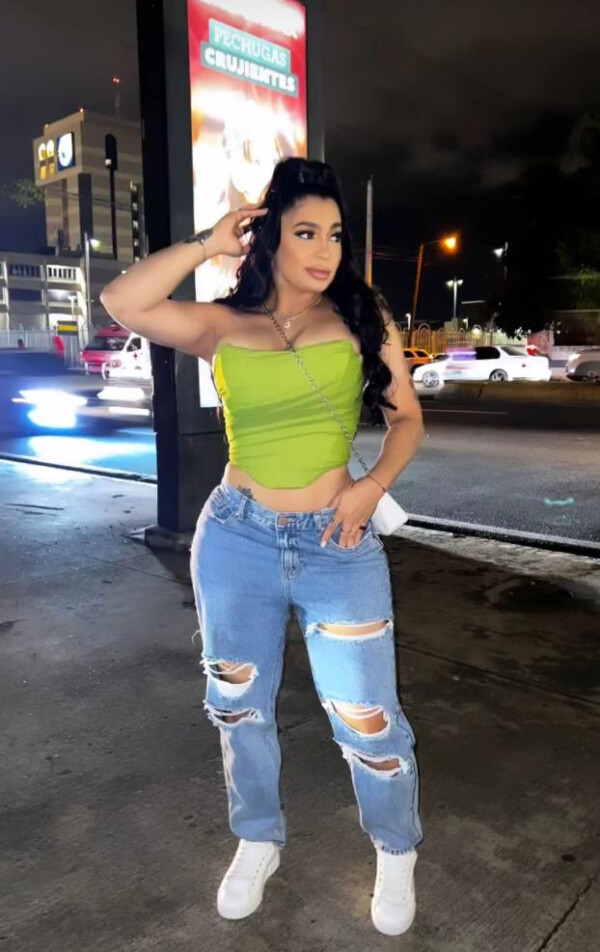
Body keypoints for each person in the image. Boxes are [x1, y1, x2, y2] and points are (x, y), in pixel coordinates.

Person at [100, 157, 424, 937]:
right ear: (269, 236)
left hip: (338, 539)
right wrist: (207, 244)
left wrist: (372, 485)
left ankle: (395, 847)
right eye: (305, 232)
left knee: (366, 715)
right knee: (238, 706)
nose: (325, 250)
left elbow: (408, 419)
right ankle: (257, 838)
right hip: (236, 537)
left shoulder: (361, 316)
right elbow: (122, 301)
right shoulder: (222, 325)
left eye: (335, 235)